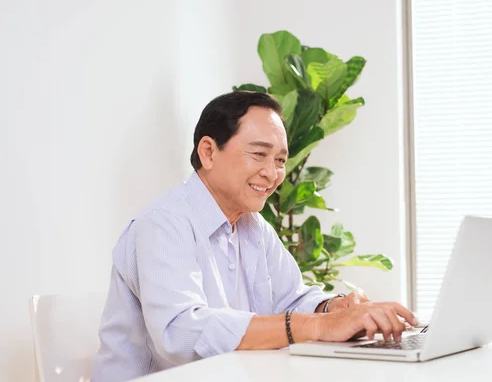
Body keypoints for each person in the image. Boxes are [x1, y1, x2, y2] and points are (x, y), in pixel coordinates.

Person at [91, 91, 418, 381]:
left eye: (279, 160)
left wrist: (336, 308)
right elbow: (180, 331)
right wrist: (317, 327)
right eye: (259, 154)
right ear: (208, 152)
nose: (272, 173)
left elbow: (291, 298)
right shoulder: (163, 222)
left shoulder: (253, 225)